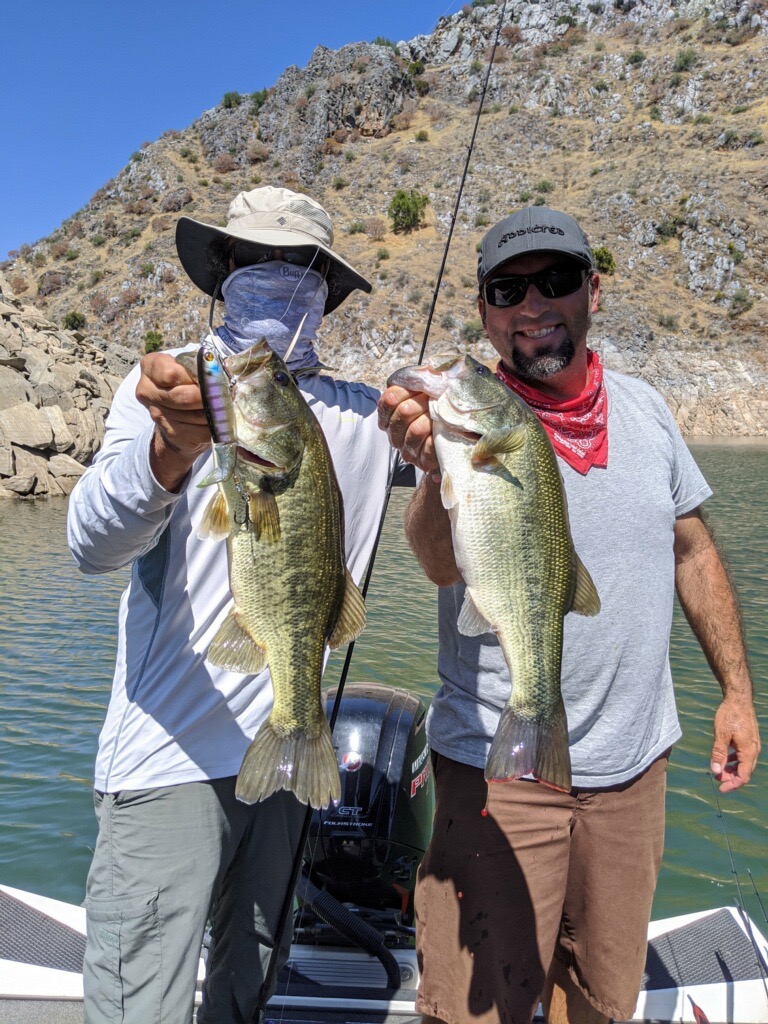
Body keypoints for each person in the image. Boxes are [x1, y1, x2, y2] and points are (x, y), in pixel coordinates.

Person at [377, 206, 761, 1024]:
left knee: (600, 999)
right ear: (484, 312)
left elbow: (691, 552)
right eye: (507, 289)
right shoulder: (462, 430)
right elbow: (441, 561)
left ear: (594, 291)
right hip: (497, 772)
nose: (532, 305)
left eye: (555, 281)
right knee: (477, 1010)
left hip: (633, 775)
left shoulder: (649, 411)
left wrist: (736, 691)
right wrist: (428, 461)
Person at [67, 186, 403, 1024]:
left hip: (287, 769)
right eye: (255, 258)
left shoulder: (364, 417)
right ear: (222, 269)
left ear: (327, 285)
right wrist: (168, 452)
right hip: (166, 768)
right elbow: (90, 543)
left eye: (298, 264)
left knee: (243, 1001)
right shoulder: (171, 389)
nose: (275, 276)